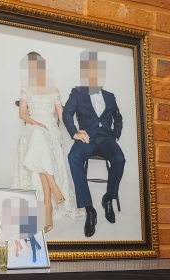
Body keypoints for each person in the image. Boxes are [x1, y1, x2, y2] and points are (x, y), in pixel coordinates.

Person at [12, 52, 82, 233]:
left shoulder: (54, 89)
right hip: (33, 127)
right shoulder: (25, 88)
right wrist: (36, 123)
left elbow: (62, 117)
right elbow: (22, 114)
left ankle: (48, 204)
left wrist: (75, 132)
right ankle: (52, 193)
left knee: (40, 142)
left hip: (51, 132)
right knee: (37, 137)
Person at [63, 50, 125, 237]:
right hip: (87, 138)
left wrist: (115, 135)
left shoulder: (110, 96)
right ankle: (90, 209)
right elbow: (67, 113)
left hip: (106, 138)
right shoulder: (77, 92)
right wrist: (75, 133)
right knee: (73, 157)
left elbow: (118, 117)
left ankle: (108, 198)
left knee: (120, 159)